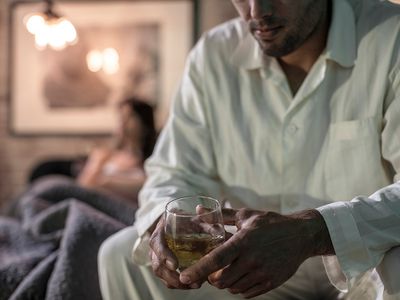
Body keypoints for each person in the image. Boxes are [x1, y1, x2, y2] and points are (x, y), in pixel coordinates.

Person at [98, 0, 400, 299]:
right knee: (120, 255)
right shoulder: (213, 55)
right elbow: (173, 171)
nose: (257, 13)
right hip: (249, 269)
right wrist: (168, 225)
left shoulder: (391, 36)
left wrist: (314, 233)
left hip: (371, 269)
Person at [29, 97, 157, 204]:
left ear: (143, 123)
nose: (122, 122)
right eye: (120, 117)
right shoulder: (105, 154)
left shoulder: (152, 162)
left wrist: (107, 182)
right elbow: (84, 186)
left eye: (129, 117)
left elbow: (150, 184)